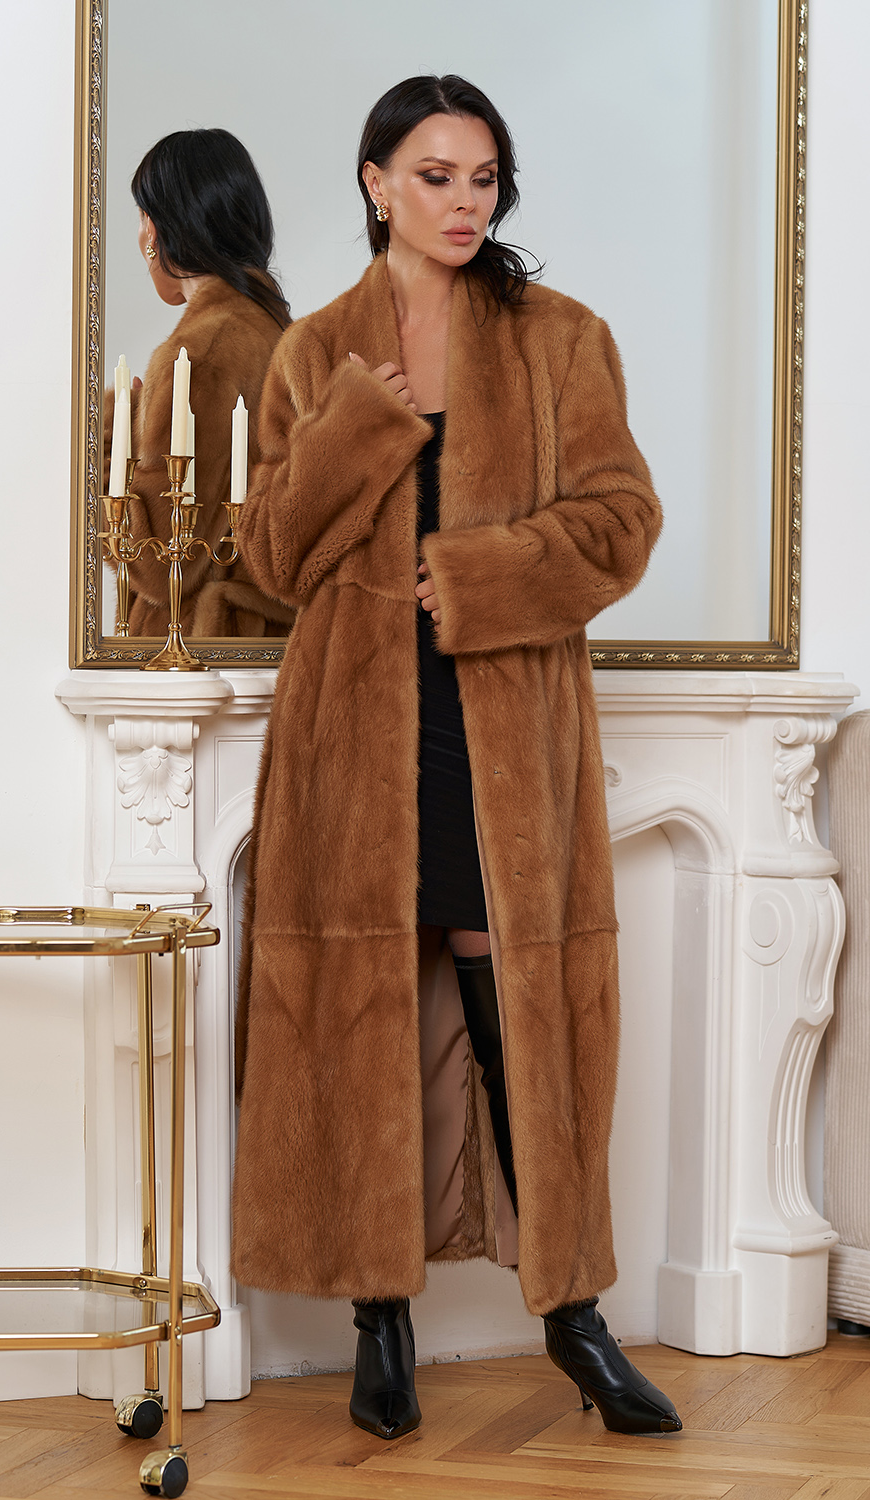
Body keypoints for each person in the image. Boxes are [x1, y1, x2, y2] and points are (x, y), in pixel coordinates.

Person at [232, 75, 680, 1441]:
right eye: (435, 175)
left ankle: (575, 1319)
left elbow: (622, 519)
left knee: (520, 1029)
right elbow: (270, 558)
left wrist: (482, 574)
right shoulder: (314, 352)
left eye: (483, 177)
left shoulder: (561, 340)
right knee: (360, 1026)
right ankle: (381, 1325)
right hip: (350, 736)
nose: (463, 201)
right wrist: (355, 428)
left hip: (504, 736)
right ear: (376, 182)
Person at [103, 128, 295, 638]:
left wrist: (108, 435)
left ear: (158, 230)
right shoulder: (281, 334)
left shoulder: (203, 354)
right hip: (261, 646)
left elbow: (163, 562)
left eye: (142, 217)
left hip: (196, 651)